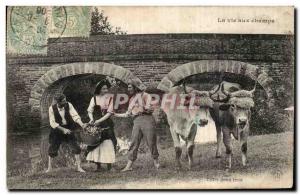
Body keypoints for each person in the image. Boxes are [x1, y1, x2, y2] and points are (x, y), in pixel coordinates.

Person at [113, 80, 160, 172]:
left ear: (135, 87)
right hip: (137, 121)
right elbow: (127, 114)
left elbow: (151, 109)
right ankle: (129, 166)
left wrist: (142, 107)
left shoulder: (146, 95)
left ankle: (156, 163)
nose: (128, 89)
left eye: (130, 87)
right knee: (134, 142)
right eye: (128, 87)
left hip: (147, 119)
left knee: (151, 142)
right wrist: (115, 114)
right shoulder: (131, 99)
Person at [46, 94, 87, 173]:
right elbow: (52, 122)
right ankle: (49, 168)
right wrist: (63, 129)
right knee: (52, 149)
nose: (65, 102)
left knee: (76, 148)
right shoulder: (51, 108)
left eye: (65, 100)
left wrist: (82, 125)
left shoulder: (69, 105)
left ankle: (79, 167)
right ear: (58, 102)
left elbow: (75, 116)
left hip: (69, 128)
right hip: (57, 130)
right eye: (63, 101)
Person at [85, 79, 117, 171]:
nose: (106, 91)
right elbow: (89, 111)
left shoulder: (110, 98)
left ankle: (109, 166)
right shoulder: (94, 98)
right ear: (99, 89)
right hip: (96, 123)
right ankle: (98, 165)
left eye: (106, 89)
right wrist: (91, 119)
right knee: (95, 143)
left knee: (108, 142)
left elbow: (109, 113)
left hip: (106, 123)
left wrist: (100, 120)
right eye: (103, 89)